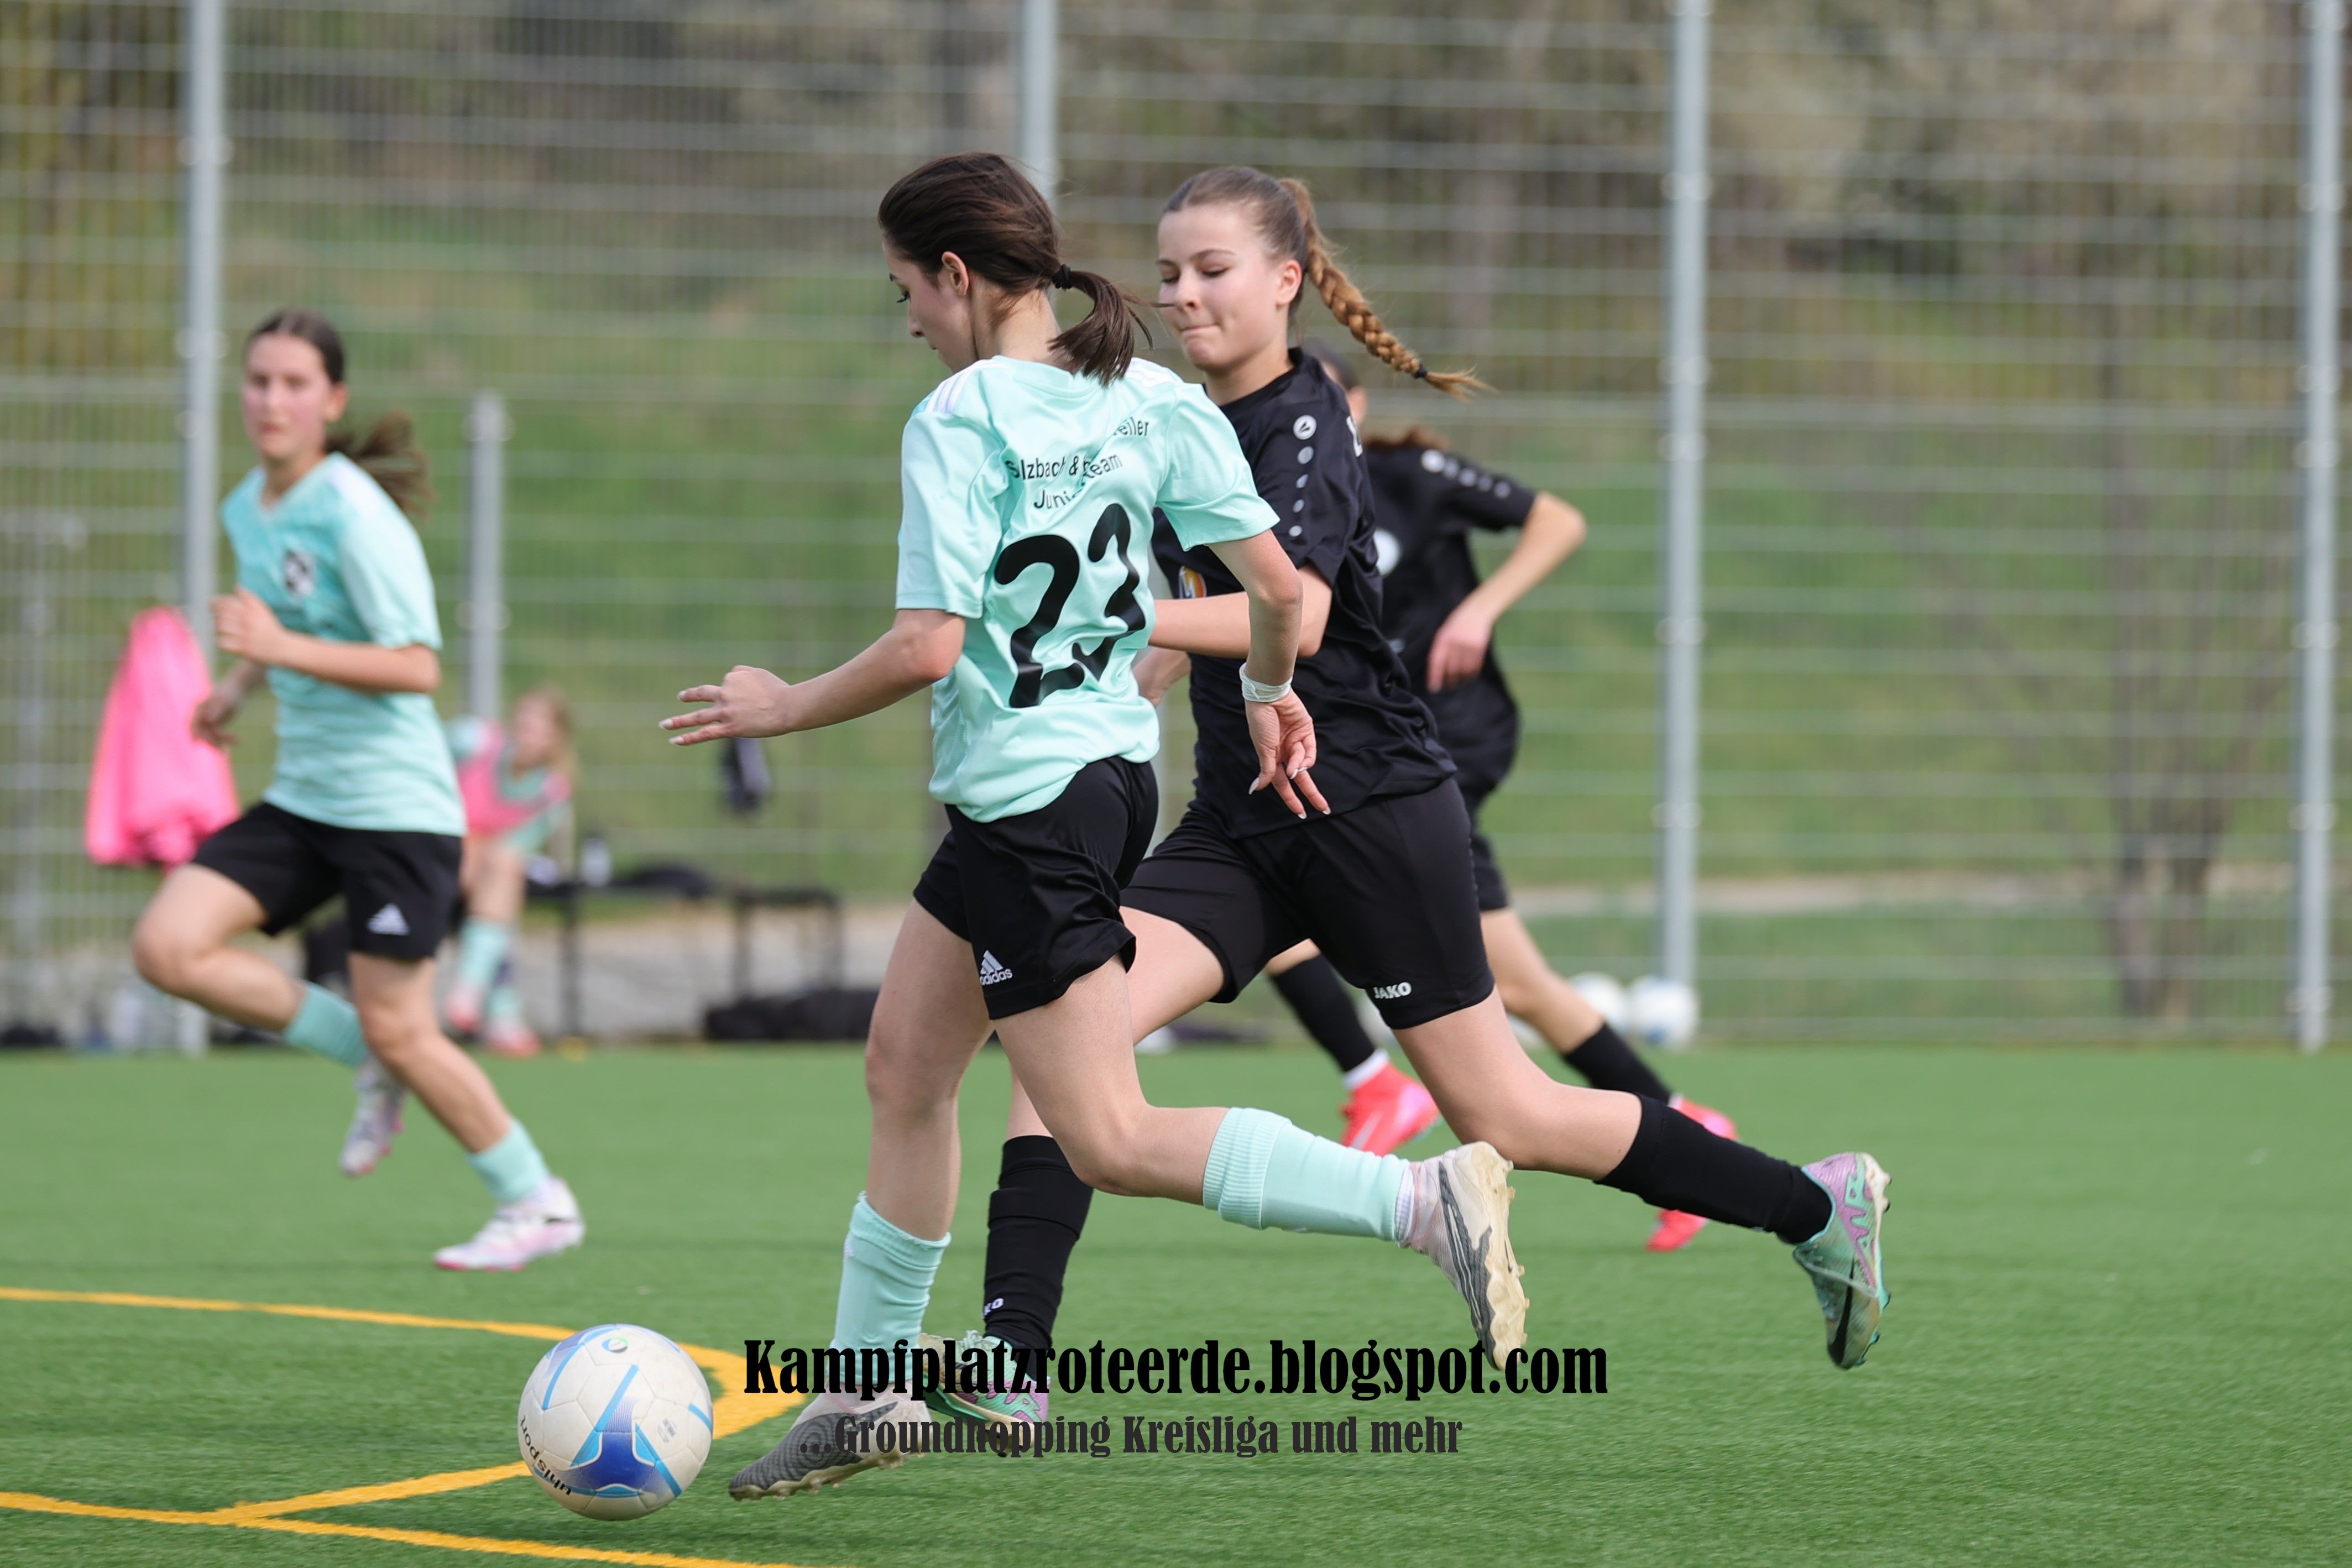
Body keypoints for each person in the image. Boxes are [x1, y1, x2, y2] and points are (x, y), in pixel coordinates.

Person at [918, 166, 1889, 1434]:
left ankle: (1815, 1206)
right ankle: (1013, 1353)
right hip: (1240, 825)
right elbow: (1188, 602)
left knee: (1509, 1112)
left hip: (1370, 813)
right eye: (1167, 274)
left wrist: (1112, 618)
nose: (1183, 294)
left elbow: (1301, 611)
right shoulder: (1171, 415)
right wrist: (1141, 651)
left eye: (1212, 269)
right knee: (1066, 1038)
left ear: (1285, 281)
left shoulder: (1306, 415)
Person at [660, 153, 1528, 1499]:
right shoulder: (1147, 394)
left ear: (957, 276)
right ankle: (865, 1384)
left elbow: (926, 644)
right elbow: (1281, 597)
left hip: (1033, 805)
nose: (906, 318)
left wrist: (781, 707)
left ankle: (1422, 1202)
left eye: (904, 288)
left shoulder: (959, 416)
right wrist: (1269, 692)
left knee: (1106, 1134)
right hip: (1091, 782)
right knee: (904, 1067)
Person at [128, 308, 585, 1273]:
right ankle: (367, 1057)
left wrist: (275, 648)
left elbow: (416, 665)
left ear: (332, 400)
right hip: (306, 798)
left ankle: (536, 1200)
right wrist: (237, 687)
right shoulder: (248, 507)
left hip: (394, 812)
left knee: (406, 1028)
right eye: (259, 380)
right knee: (168, 947)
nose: (271, 400)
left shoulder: (355, 514)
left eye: (295, 384)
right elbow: (291, 620)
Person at [1261, 339, 1738, 1254]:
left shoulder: (1410, 476)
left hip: (1441, 745)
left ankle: (1373, 1080)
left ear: (1356, 406)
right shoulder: (1274, 498)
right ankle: (1688, 1131)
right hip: (1376, 753)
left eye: (1322, 399)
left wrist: (1477, 610)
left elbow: (1556, 519)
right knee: (1515, 982)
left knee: (1278, 879)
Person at [442, 687, 575, 1057]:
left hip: (485, 873)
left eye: (538, 726)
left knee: (503, 867)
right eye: (524, 720)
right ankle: (500, 1010)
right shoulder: (472, 742)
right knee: (497, 877)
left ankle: (470, 997)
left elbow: (514, 847)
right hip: (437, 846)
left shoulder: (551, 794)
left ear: (555, 738)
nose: (526, 731)